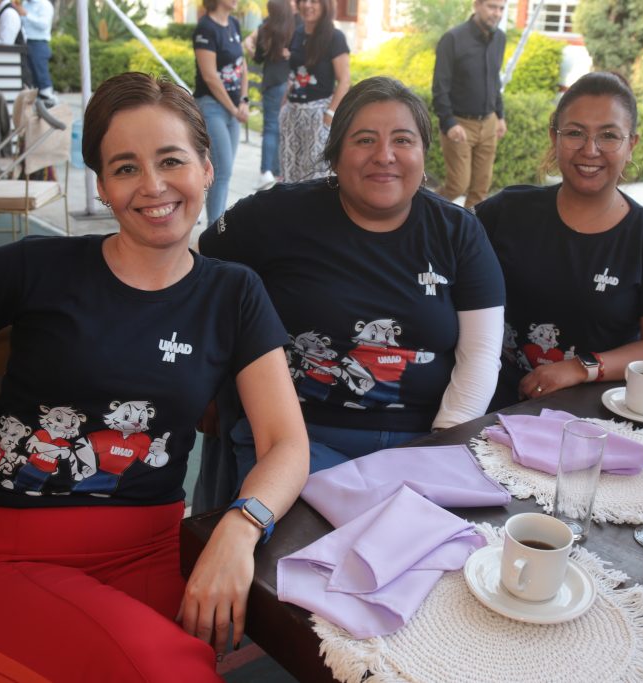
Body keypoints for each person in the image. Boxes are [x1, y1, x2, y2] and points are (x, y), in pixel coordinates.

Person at [0, 71, 309, 681]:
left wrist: (240, 527)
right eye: (125, 167)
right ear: (103, 185)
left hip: (150, 557)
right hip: (4, 564)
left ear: (207, 167)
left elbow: (286, 443)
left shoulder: (233, 293)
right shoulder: (38, 266)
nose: (154, 186)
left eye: (171, 160)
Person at [201, 76, 505, 476]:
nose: (384, 155)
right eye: (364, 140)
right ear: (336, 153)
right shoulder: (276, 215)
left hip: (422, 440)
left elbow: (481, 353)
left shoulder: (458, 231)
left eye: (402, 140)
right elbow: (201, 271)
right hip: (298, 438)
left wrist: (441, 447)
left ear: (423, 153)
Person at [475, 71, 643, 407]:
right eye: (575, 133)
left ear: (631, 144)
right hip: (493, 403)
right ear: (554, 138)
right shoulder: (505, 213)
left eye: (609, 136)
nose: (590, 150)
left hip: (594, 411)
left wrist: (579, 368)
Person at [432, 0, 507, 209]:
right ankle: (424, 212)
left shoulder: (500, 38)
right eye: (492, 7)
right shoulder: (453, 39)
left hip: (490, 122)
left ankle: (468, 233)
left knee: (480, 190)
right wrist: (449, 123)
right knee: (457, 185)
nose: (497, 13)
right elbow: (440, 86)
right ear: (476, 5)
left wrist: (500, 115)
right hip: (460, 123)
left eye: (502, 8)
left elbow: (494, 80)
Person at [279, 0, 348, 183]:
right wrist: (284, 104)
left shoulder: (335, 37)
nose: (307, 5)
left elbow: (344, 80)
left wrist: (330, 114)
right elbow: (294, 73)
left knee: (315, 176)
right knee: (289, 173)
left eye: (314, 1)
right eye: (303, 1)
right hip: (292, 114)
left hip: (319, 115)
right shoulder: (298, 32)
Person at [193, 0, 248, 226]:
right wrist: (234, 109)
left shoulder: (234, 23)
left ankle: (216, 229)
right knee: (221, 171)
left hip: (233, 109)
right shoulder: (205, 28)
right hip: (212, 106)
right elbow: (210, 77)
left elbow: (241, 65)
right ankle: (214, 233)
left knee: (224, 172)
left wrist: (244, 100)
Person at [244, 0, 295, 190]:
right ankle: (277, 170)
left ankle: (266, 171)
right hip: (289, 82)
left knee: (271, 127)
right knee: (281, 127)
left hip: (272, 83)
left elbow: (257, 57)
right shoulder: (294, 26)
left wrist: (248, 46)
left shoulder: (265, 27)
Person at [17, 0, 55, 104]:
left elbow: (44, 24)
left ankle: (49, 104)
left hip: (39, 43)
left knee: (41, 76)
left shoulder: (44, 5)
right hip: (25, 42)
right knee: (31, 77)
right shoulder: (25, 4)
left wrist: (26, 14)